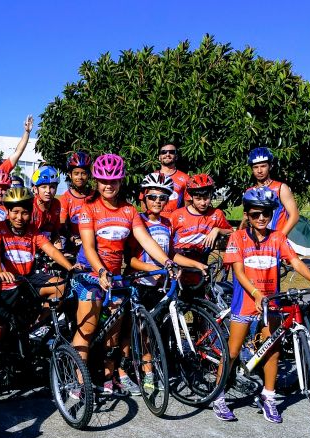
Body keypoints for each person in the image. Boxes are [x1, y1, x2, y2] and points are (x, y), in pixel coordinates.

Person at [214, 186, 310, 423]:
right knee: (233, 352)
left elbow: (295, 262)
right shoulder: (238, 238)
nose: (261, 218)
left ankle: (268, 397)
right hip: (245, 303)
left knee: (273, 352)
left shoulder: (277, 237)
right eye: (256, 214)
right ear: (247, 214)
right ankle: (219, 396)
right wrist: (256, 294)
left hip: (271, 304)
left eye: (266, 213)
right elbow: (239, 272)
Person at [72, 154, 176, 394]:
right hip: (89, 273)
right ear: (96, 181)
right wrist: (99, 270)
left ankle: (108, 379)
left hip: (115, 276)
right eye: (103, 180)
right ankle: (79, 383)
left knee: (114, 330)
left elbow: (146, 240)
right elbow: (88, 247)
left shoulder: (129, 211)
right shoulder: (89, 209)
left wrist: (167, 261)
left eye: (114, 181)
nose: (108, 185)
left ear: (121, 181)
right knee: (87, 329)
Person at [0, 187, 79, 396]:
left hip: (27, 281)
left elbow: (52, 250)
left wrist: (70, 267)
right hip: (6, 283)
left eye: (24, 212)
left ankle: (37, 326)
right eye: (15, 212)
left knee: (62, 286)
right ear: (7, 212)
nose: (19, 217)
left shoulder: (33, 231)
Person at [124, 172, 206, 394]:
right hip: (140, 283)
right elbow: (129, 259)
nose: (158, 201)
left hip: (161, 285)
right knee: (141, 331)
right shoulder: (137, 221)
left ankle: (155, 367)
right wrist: (151, 268)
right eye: (152, 197)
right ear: (143, 197)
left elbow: (171, 254)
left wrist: (194, 264)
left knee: (156, 330)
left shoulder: (168, 223)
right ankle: (144, 371)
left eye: (163, 197)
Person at [170, 174, 233, 263]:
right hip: (179, 258)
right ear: (191, 197)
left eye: (206, 198)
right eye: (198, 199)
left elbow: (231, 232)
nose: (203, 203)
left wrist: (217, 230)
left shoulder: (217, 214)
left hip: (201, 258)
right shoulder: (177, 214)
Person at [240, 147, 299, 236]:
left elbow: (294, 216)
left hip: (277, 240)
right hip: (256, 242)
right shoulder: (249, 192)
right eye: (255, 167)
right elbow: (247, 219)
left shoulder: (281, 188)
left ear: (270, 166)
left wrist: (280, 238)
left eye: (263, 166)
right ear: (252, 169)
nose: (259, 171)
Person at [60, 151, 92, 252]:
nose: (80, 177)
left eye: (83, 173)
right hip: (73, 241)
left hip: (92, 240)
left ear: (88, 175)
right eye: (76, 173)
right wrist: (72, 238)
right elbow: (62, 223)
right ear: (70, 175)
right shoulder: (66, 197)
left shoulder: (95, 196)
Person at [155, 143, 190, 216]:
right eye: (163, 152)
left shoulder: (186, 178)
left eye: (171, 152)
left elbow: (188, 206)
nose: (167, 154)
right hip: (156, 223)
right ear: (159, 157)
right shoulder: (151, 177)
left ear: (176, 157)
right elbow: (143, 202)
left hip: (176, 223)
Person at [30, 165, 62, 244]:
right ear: (35, 189)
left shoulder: (56, 204)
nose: (48, 191)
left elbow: (55, 232)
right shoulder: (30, 205)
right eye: (44, 187)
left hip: (48, 247)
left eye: (52, 187)